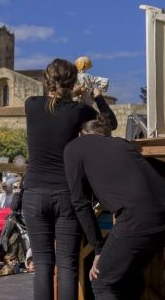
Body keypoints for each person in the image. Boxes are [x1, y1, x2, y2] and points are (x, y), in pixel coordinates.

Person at [23, 58, 116, 300]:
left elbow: (51, 107)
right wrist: (95, 95)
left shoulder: (31, 105)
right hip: (66, 193)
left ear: (46, 81)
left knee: (42, 266)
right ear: (74, 82)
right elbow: (111, 124)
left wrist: (71, 94)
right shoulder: (79, 111)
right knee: (67, 266)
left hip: (33, 193)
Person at [64, 116, 165, 299]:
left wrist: (98, 249)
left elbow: (80, 202)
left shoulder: (73, 148)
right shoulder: (121, 143)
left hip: (138, 219)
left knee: (101, 280)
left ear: (81, 134)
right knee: (127, 277)